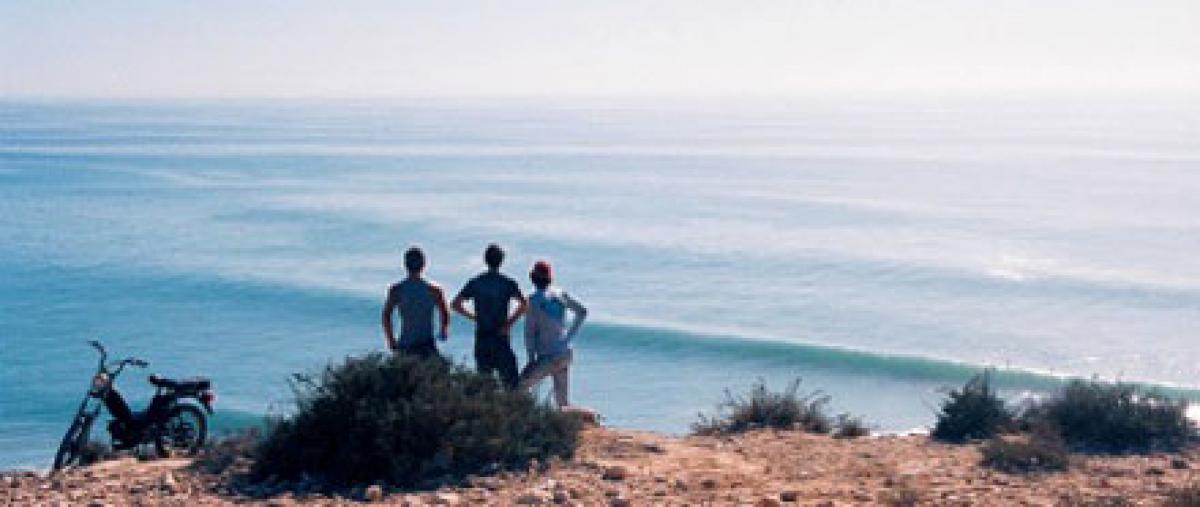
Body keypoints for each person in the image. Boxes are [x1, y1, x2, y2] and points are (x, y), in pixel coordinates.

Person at [452, 244, 527, 388]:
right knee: (511, 384)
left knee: (484, 385)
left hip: (482, 337)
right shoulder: (508, 283)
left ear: (485, 260)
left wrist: (473, 317)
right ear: (501, 261)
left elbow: (455, 304)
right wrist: (509, 323)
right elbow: (524, 305)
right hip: (501, 337)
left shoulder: (476, 282)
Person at [518, 260, 587, 408]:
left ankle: (529, 419)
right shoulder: (560, 294)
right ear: (550, 278)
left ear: (532, 278)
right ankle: (575, 425)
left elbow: (529, 334)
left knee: (520, 387)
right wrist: (568, 338)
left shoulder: (531, 300)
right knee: (562, 403)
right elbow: (582, 312)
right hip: (565, 353)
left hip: (548, 356)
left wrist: (531, 360)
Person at [381, 246, 450, 360]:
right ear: (424, 264)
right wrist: (443, 329)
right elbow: (445, 312)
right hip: (426, 344)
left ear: (405, 265)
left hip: (406, 342)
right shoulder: (434, 290)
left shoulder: (397, 289)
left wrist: (391, 340)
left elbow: (386, 315)